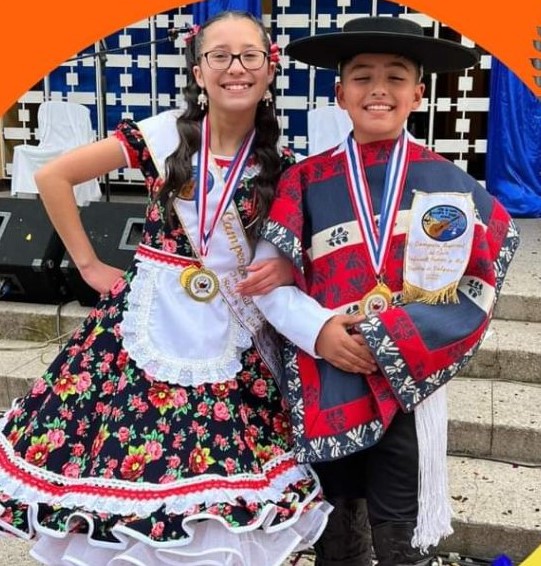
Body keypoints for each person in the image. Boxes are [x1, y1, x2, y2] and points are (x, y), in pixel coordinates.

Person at [0, 10, 331, 566]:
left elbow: (295, 250)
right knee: (125, 462)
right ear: (199, 71)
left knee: (223, 476)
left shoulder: (283, 162)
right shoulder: (158, 136)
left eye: (250, 55)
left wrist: (285, 273)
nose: (235, 68)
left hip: (232, 331)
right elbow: (52, 176)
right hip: (147, 324)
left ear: (269, 68)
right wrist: (87, 265)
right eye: (219, 56)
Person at [240, 15, 520, 566]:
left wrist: (389, 339)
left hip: (409, 384)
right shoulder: (304, 182)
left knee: (400, 537)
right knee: (337, 538)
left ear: (418, 91)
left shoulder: (454, 187)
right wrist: (321, 332)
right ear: (340, 92)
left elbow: (475, 288)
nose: (379, 89)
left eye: (395, 76)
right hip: (325, 378)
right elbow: (268, 283)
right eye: (362, 76)